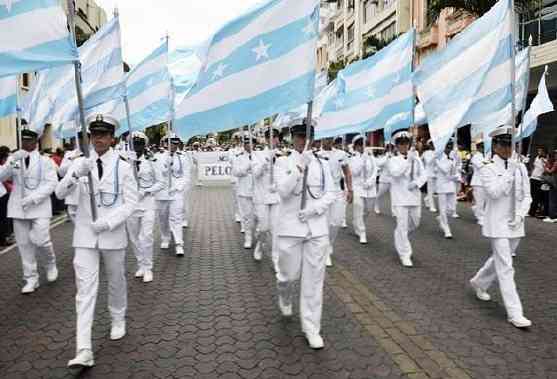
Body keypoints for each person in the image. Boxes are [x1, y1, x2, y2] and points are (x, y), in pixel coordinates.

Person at [55, 114, 139, 367]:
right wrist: (73, 176)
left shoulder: (123, 166)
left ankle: (117, 317)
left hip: (111, 234)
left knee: (115, 280)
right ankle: (83, 349)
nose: (99, 139)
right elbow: (59, 193)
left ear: (112, 138)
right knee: (84, 291)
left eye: (104, 135)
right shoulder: (79, 163)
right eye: (94, 135)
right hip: (84, 236)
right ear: (89, 137)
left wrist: (109, 221)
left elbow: (131, 202)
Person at [275, 119, 334, 349]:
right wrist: (299, 167)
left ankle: (311, 328)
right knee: (288, 276)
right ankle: (284, 294)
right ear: (293, 138)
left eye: (307, 136)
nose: (303, 141)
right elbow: (283, 191)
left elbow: (331, 193)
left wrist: (314, 209)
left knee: (314, 281)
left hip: (316, 228)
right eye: (299, 136)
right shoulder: (283, 162)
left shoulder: (323, 163)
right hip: (290, 229)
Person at [469, 125, 532, 328]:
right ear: (495, 145)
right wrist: (509, 174)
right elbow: (495, 193)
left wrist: (521, 214)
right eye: (503, 144)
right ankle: (515, 313)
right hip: (497, 223)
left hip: (515, 224)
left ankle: (479, 281)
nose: (507, 149)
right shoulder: (487, 167)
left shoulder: (520, 167)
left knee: (498, 260)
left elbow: (527, 195)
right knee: (506, 267)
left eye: (510, 145)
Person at [0, 129, 59, 293]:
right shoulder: (15, 158)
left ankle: (50, 263)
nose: (27, 144)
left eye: (30, 141)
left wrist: (34, 198)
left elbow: (51, 183)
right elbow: (1, 177)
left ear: (36, 142)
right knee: (24, 245)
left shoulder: (45, 161)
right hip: (18, 207)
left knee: (41, 239)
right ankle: (31, 279)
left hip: (39, 206)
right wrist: (11, 162)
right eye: (24, 140)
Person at [127, 132, 164, 283]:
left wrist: (147, 191)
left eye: (139, 144)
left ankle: (148, 267)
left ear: (144, 145)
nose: (137, 147)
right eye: (134, 144)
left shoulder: (152, 160)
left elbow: (161, 182)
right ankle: (140, 264)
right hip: (130, 204)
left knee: (146, 236)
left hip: (147, 202)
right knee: (134, 238)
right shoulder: (125, 161)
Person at [387, 130, 427, 267]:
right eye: (401, 144)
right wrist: (407, 161)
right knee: (402, 226)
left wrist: (417, 183)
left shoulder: (416, 159)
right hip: (400, 198)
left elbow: (424, 174)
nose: (404, 146)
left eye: (406, 143)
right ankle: (405, 254)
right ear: (396, 146)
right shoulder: (393, 160)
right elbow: (396, 173)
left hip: (414, 196)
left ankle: (400, 236)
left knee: (416, 223)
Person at [320, 137, 353, 267]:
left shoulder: (341, 154)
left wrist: (350, 189)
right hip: (322, 193)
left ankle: (329, 244)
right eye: (325, 138)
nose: (327, 140)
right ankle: (325, 251)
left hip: (337, 192)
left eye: (329, 138)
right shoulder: (316, 154)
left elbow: (347, 173)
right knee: (325, 223)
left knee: (336, 222)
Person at [252, 127, 282, 267]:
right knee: (263, 228)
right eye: (270, 136)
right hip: (262, 196)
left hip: (276, 197)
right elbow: (256, 174)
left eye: (275, 137)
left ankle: (276, 259)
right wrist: (266, 159)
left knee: (276, 229)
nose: (273, 139)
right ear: (266, 139)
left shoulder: (283, 155)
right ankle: (260, 243)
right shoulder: (257, 154)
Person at [155, 134, 188, 256]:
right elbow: (157, 173)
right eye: (170, 143)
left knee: (176, 217)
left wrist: (178, 187)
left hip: (176, 192)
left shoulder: (183, 157)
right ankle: (165, 237)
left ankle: (179, 243)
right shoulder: (157, 157)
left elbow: (186, 176)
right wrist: (165, 165)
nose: (173, 146)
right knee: (163, 217)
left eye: (175, 143)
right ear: (165, 144)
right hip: (162, 192)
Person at [349, 135, 377, 244]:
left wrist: (371, 181)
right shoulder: (352, 158)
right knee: (359, 208)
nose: (362, 147)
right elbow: (354, 172)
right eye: (359, 145)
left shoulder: (371, 157)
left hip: (370, 188)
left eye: (364, 145)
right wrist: (362, 161)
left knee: (368, 210)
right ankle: (362, 232)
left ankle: (357, 222)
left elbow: (375, 169)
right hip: (358, 187)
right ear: (355, 146)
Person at [232, 136, 256, 249]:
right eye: (247, 143)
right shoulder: (239, 157)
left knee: (258, 217)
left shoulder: (259, 156)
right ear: (244, 145)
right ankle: (248, 237)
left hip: (258, 191)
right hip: (245, 190)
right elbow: (236, 172)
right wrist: (248, 166)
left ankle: (257, 235)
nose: (249, 146)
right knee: (247, 216)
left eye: (251, 143)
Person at [434, 138, 460, 239]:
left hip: (450, 185)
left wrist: (457, 175)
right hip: (441, 185)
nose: (449, 149)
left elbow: (456, 169)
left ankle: (441, 218)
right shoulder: (438, 157)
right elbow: (444, 170)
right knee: (443, 208)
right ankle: (446, 228)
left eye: (450, 147)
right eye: (447, 147)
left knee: (452, 208)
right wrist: (452, 162)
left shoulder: (453, 156)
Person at [470, 142, 487, 225]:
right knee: (480, 201)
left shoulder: (486, 156)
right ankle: (480, 218)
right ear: (479, 148)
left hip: (485, 181)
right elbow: (481, 166)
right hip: (478, 182)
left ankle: (476, 208)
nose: (484, 148)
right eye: (482, 147)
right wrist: (488, 163)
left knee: (484, 201)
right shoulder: (476, 156)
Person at [528, 147, 547, 218]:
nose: (539, 152)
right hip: (533, 177)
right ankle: (529, 210)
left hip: (539, 179)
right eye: (538, 151)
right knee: (531, 195)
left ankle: (532, 212)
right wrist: (531, 173)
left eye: (540, 151)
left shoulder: (545, 159)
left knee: (536, 197)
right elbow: (534, 166)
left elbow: (545, 169)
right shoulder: (537, 157)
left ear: (544, 152)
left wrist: (544, 162)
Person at [374, 144, 393, 215]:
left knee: (394, 196)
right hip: (384, 180)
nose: (391, 149)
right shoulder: (384, 157)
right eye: (389, 148)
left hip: (393, 180)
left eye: (392, 148)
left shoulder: (396, 157)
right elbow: (379, 164)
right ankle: (376, 206)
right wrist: (387, 157)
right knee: (379, 195)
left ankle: (394, 211)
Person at [422, 140, 437, 212]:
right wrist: (435, 155)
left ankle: (426, 199)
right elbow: (428, 161)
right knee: (430, 191)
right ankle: (432, 206)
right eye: (432, 144)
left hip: (437, 174)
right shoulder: (426, 153)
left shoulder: (438, 152)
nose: (433, 145)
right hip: (429, 174)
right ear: (430, 145)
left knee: (435, 190)